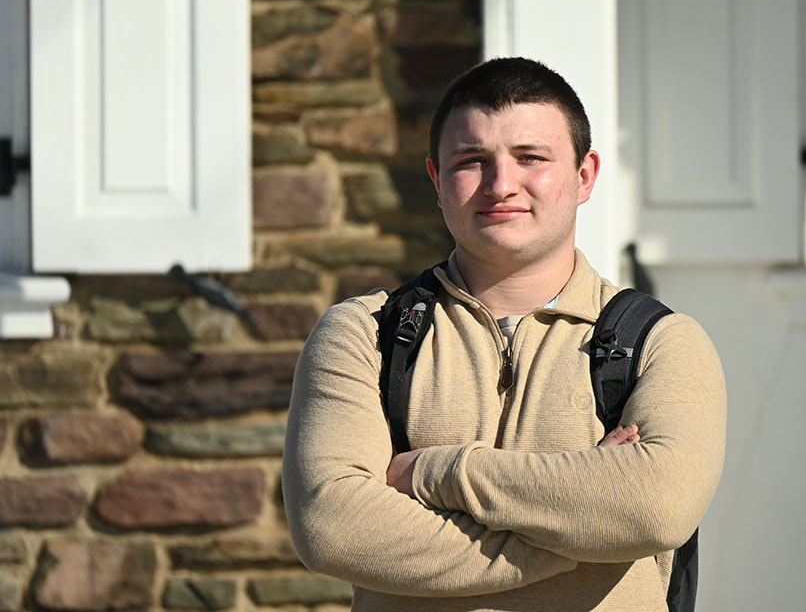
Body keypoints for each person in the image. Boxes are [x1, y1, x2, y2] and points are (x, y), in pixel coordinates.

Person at [282, 57, 726, 612]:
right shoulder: (364, 335)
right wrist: (589, 533)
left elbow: (657, 508)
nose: (500, 185)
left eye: (530, 158)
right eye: (472, 161)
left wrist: (433, 471)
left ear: (584, 176)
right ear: (437, 181)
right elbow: (332, 528)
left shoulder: (661, 342)